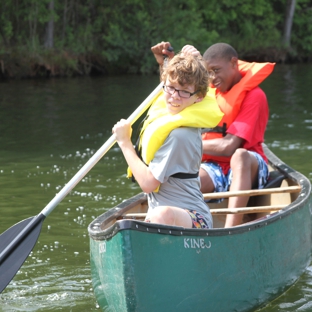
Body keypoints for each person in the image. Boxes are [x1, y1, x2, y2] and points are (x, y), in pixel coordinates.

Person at [151, 42, 275, 228]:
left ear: (234, 63)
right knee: (182, 181)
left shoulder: (254, 96)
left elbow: (229, 148)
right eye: (208, 72)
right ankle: (173, 226)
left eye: (216, 70)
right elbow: (175, 95)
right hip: (214, 166)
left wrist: (187, 146)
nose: (212, 77)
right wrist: (166, 63)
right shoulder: (207, 95)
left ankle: (230, 231)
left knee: (239, 156)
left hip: (248, 166)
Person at [112, 52, 223, 229]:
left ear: (199, 97)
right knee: (155, 216)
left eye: (184, 92)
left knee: (161, 214)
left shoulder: (180, 136)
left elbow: (148, 184)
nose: (174, 96)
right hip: (162, 219)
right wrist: (168, 61)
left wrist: (124, 142)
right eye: (170, 88)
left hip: (194, 220)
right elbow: (174, 80)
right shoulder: (170, 113)